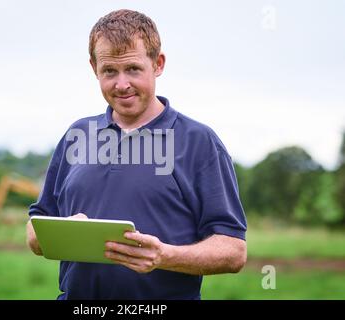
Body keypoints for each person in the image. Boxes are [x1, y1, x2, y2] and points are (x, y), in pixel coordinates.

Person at [27, 9, 247, 300]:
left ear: (158, 64)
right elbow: (35, 230)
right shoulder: (76, 136)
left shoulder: (199, 142)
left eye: (132, 69)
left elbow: (233, 251)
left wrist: (164, 256)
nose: (121, 84)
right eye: (109, 71)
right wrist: (61, 234)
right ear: (94, 68)